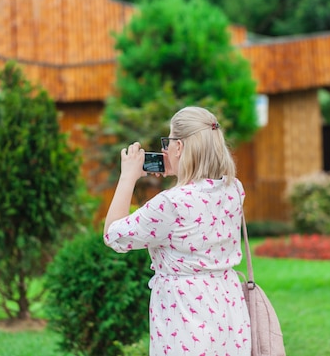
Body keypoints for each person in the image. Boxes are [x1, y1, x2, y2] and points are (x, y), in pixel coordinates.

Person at [104, 106, 251, 356]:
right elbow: (199, 198)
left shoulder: (170, 203)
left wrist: (127, 177)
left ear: (179, 147)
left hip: (185, 313)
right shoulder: (234, 188)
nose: (165, 149)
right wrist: (180, 171)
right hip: (228, 308)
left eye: (168, 142)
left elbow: (113, 235)